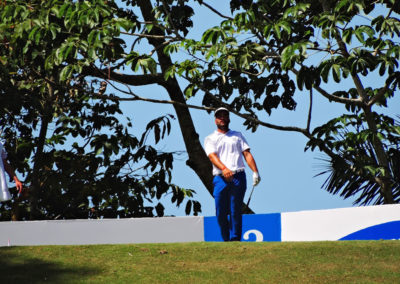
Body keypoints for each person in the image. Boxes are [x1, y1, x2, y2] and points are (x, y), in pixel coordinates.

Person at [204, 107, 261, 241]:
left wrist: (255, 172)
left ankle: (235, 239)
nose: (222, 118)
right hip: (220, 178)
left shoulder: (238, 135)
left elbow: (247, 154)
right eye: (219, 116)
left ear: (229, 118)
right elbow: (212, 156)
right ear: (215, 120)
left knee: (235, 208)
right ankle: (225, 239)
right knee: (220, 211)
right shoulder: (210, 138)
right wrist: (224, 169)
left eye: (225, 115)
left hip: (238, 176)